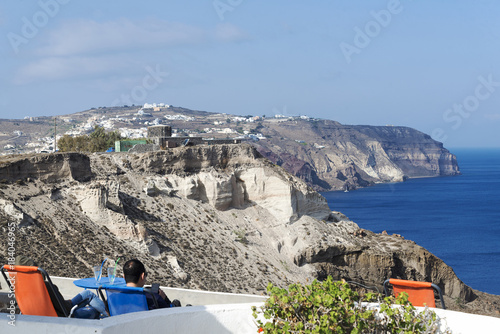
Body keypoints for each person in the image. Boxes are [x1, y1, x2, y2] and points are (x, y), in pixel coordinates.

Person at [14, 255, 108, 319]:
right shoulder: (45, 286)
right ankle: (109, 318)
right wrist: (70, 302)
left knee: (87, 296)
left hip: (36, 317)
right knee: (89, 295)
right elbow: (64, 309)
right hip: (60, 317)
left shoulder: (18, 288)